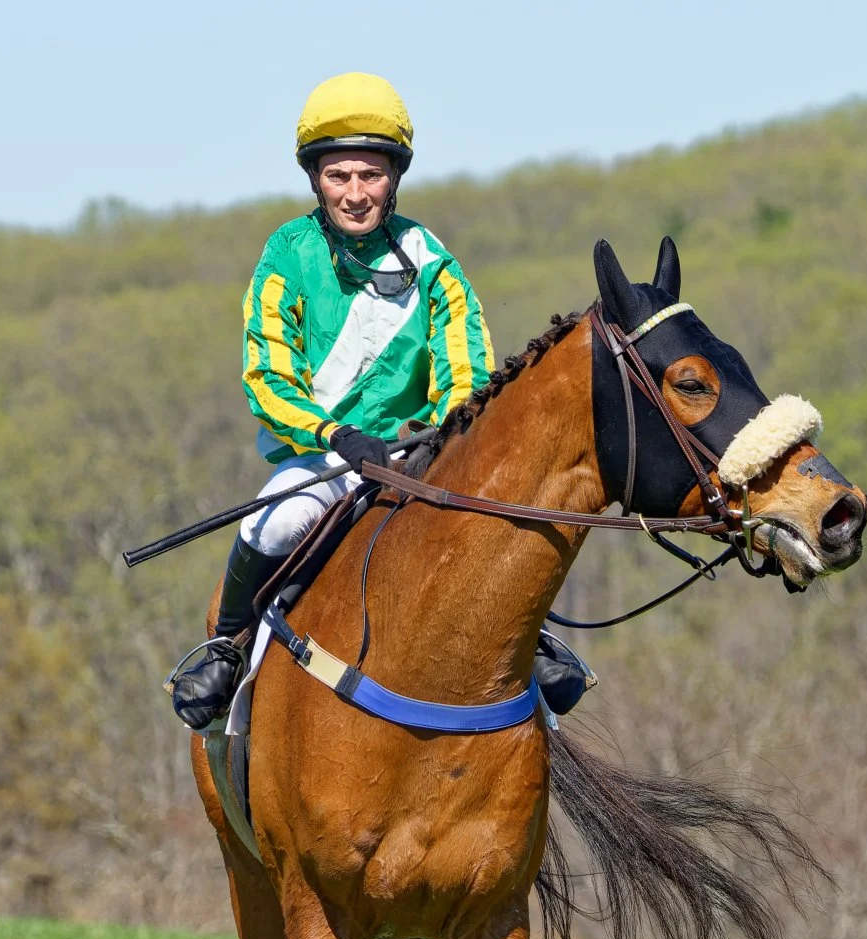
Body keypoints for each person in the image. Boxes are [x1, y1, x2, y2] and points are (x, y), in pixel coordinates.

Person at [171, 73, 590, 730]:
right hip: (324, 456)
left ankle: (527, 641)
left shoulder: (433, 262)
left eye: (369, 175)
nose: (355, 193)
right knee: (273, 524)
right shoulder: (287, 253)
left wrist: (437, 436)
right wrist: (336, 435)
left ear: (394, 178)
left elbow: (468, 374)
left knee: (496, 524)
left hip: (419, 454)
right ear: (315, 179)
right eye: (339, 176)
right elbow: (268, 379)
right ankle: (225, 647)